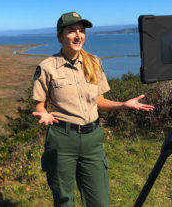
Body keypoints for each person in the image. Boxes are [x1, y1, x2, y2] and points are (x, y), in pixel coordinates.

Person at [32, 11, 154, 207]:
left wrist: (123, 104)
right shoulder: (47, 67)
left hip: (92, 139)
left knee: (99, 200)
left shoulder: (93, 63)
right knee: (63, 200)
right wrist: (43, 112)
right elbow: (39, 104)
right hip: (62, 139)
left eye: (82, 31)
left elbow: (99, 102)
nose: (78, 35)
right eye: (72, 31)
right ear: (60, 35)